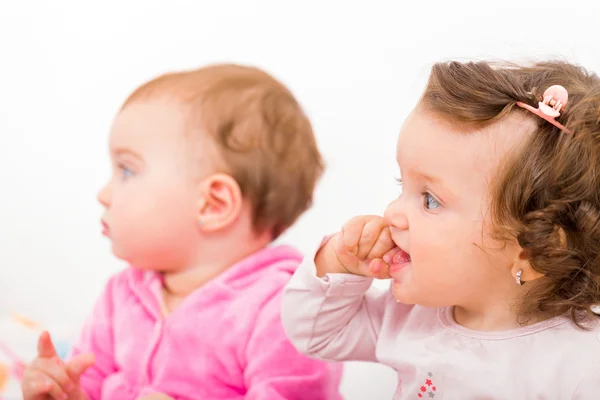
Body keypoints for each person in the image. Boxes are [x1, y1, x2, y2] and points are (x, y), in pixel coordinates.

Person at [22, 63, 342, 400]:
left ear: (213, 205)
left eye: (127, 171)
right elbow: (92, 385)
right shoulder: (122, 295)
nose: (104, 193)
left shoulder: (284, 311)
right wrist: (64, 393)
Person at [282, 59, 600, 398]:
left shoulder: (580, 364)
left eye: (430, 200)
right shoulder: (410, 317)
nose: (392, 212)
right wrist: (339, 263)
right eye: (400, 185)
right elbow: (317, 334)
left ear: (532, 250)